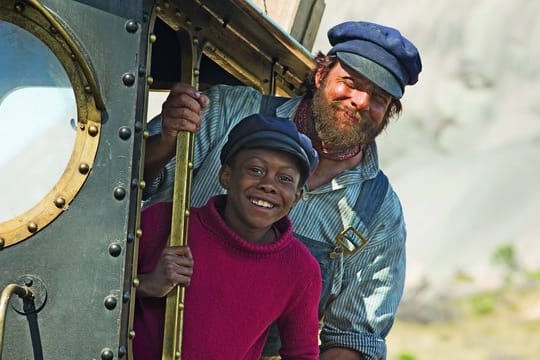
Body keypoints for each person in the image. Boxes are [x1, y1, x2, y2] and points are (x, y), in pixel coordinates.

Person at [143, 21, 422, 360]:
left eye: (379, 97)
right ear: (321, 75)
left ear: (390, 112)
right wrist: (168, 139)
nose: (360, 101)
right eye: (350, 83)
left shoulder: (378, 214)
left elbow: (353, 338)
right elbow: (127, 185)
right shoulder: (226, 111)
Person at [134, 114, 322, 359]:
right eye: (255, 169)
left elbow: (302, 353)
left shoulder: (300, 269)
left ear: (296, 197)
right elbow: (90, 287)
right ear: (226, 176)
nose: (268, 185)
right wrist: (147, 285)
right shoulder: (162, 222)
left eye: (284, 178)